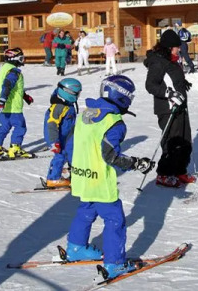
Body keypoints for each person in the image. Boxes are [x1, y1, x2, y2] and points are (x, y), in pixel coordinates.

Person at [65, 74, 155, 280]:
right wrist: (135, 163)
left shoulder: (86, 113)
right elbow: (111, 156)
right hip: (99, 180)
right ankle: (115, 263)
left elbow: (71, 143)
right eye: (130, 97)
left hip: (82, 175)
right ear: (122, 97)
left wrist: (74, 166)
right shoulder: (114, 122)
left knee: (86, 209)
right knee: (114, 219)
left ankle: (76, 247)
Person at [144, 29, 195, 188]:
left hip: (180, 106)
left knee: (185, 140)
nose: (179, 49)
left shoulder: (172, 60)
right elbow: (150, 85)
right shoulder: (158, 62)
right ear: (169, 47)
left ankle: (179, 170)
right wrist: (169, 93)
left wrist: (182, 84)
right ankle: (164, 174)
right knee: (172, 141)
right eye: (176, 47)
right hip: (167, 108)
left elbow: (172, 78)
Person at [0, 48, 34, 159]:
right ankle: (15, 148)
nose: (22, 61)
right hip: (13, 107)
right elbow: (7, 86)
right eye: (21, 58)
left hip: (3, 107)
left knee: (4, 126)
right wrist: (3, 100)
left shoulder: (5, 68)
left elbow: (14, 88)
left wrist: (25, 96)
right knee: (20, 127)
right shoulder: (14, 72)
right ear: (13, 59)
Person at [44, 78, 82, 188]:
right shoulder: (59, 106)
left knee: (71, 153)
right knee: (60, 155)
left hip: (66, 135)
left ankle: (74, 174)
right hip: (56, 137)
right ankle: (53, 179)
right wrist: (54, 142)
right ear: (69, 92)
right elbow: (51, 124)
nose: (78, 96)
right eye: (77, 93)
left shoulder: (67, 103)